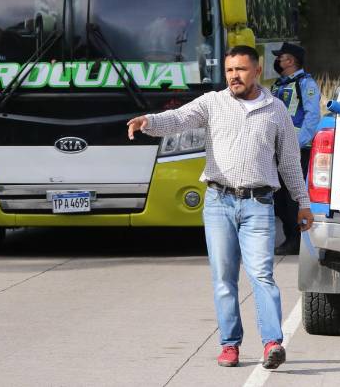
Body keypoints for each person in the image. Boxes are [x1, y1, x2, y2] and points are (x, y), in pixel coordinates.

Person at [126, 45, 313, 370]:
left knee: (262, 275)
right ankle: (230, 345)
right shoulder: (213, 103)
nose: (234, 76)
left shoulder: (276, 110)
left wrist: (303, 203)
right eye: (229, 70)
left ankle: (272, 343)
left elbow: (289, 162)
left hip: (258, 204)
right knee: (224, 278)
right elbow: (179, 118)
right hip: (218, 203)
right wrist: (149, 121)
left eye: (241, 69)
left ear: (257, 71)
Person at [270, 42, 321, 255]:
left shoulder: (305, 83)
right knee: (278, 197)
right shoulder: (278, 84)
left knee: (293, 197)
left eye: (280, 58)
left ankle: (296, 240)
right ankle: (290, 236)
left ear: (290, 60)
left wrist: (295, 144)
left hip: (296, 150)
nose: (277, 61)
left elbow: (313, 117)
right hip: (276, 148)